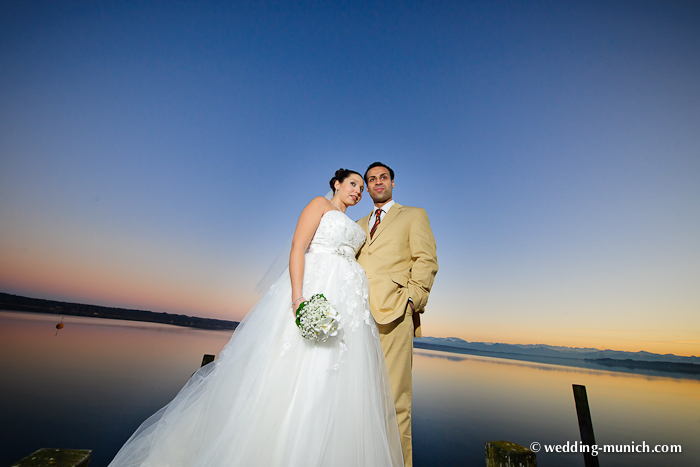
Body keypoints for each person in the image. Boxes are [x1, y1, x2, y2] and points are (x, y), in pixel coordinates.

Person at [108, 169, 403, 467]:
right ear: (336, 184)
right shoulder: (319, 205)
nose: (357, 191)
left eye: (360, 188)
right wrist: (299, 298)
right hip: (316, 287)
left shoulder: (356, 224)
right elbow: (298, 248)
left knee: (334, 373)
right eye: (352, 184)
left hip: (345, 302)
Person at [356, 162, 439, 467]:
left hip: (394, 313)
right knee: (359, 396)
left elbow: (426, 259)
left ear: (392, 183)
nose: (378, 182)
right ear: (366, 187)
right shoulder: (358, 222)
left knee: (394, 401)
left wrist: (413, 299)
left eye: (383, 178)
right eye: (371, 179)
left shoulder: (414, 215)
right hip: (357, 317)